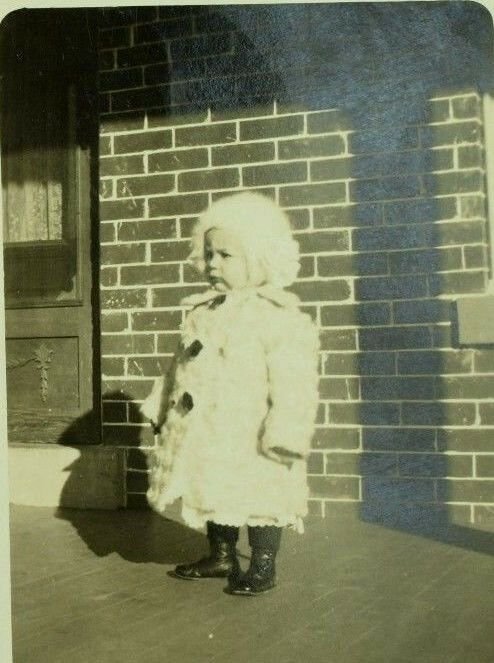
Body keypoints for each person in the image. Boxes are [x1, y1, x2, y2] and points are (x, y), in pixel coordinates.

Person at [140, 191, 319, 596]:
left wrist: (287, 431)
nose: (212, 264)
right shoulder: (202, 311)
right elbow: (178, 365)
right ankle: (221, 553)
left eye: (225, 255)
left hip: (256, 432)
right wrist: (162, 403)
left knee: (261, 492)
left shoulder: (275, 316)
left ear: (258, 259)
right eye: (208, 254)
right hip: (211, 426)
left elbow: (295, 379)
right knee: (213, 481)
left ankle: (262, 563)